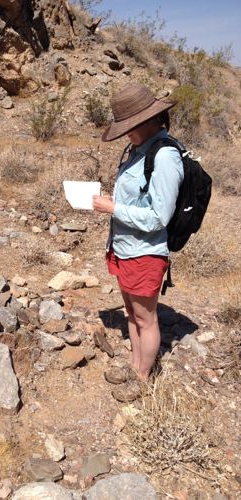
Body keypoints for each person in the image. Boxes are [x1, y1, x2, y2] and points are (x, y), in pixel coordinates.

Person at [93, 83, 184, 402]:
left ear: (149, 119)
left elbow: (159, 217)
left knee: (146, 317)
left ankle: (143, 378)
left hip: (146, 252)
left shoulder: (166, 156)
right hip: (124, 246)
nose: (126, 134)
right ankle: (135, 365)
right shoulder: (137, 150)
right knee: (132, 313)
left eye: (130, 127)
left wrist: (113, 208)